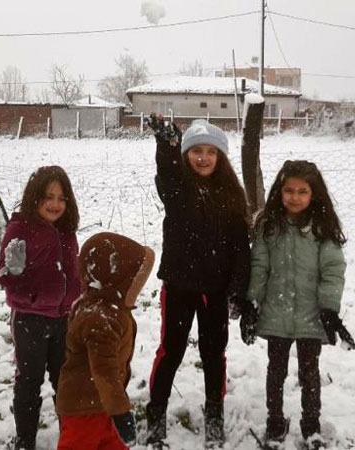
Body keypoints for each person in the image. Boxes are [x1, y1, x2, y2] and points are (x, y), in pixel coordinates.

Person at [145, 117, 251, 449]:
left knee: (213, 352)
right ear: (186, 155)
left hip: (215, 292)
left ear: (220, 157)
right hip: (178, 286)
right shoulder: (177, 189)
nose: (203, 158)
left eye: (210, 152)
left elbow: (239, 249)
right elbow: (167, 171)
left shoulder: (232, 197)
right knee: (171, 350)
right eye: (196, 151)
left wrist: (240, 291)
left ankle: (215, 415)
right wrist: (168, 144)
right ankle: (155, 414)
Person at [241, 160, 354, 450]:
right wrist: (252, 304)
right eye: (289, 190)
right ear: (280, 191)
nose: (294, 197)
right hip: (276, 313)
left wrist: (329, 309)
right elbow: (259, 265)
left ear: (314, 193)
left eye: (302, 191)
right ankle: (275, 421)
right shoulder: (269, 225)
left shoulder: (322, 227)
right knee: (275, 369)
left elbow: (332, 270)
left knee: (309, 372)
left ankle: (311, 424)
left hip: (310, 315)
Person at [0, 166, 81, 450]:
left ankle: (70, 437)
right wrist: (12, 269)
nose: (55, 204)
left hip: (64, 319)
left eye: (61, 198)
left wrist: (82, 296)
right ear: (33, 198)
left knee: (64, 380)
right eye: (48, 197)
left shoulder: (66, 231)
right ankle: (25, 440)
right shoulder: (20, 229)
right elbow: (1, 274)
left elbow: (73, 272)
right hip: (30, 319)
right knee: (29, 381)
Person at [56, 232, 155, 450]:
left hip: (104, 405)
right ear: (115, 280)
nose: (138, 287)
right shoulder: (99, 319)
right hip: (84, 411)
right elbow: (103, 371)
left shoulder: (109, 309)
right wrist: (120, 412)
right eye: (135, 280)